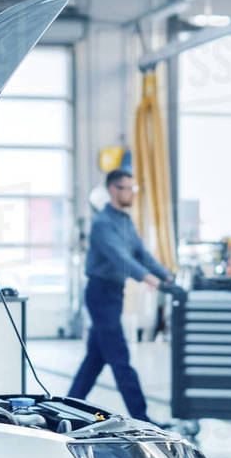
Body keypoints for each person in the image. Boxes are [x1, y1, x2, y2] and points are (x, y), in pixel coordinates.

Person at [67, 169, 171, 424]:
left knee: (94, 360)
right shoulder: (103, 223)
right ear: (113, 190)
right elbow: (120, 257)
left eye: (133, 188)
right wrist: (150, 280)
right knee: (120, 359)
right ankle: (142, 419)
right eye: (127, 188)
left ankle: (69, 407)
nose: (132, 193)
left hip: (114, 294)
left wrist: (168, 277)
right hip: (100, 293)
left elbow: (141, 254)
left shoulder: (125, 221)